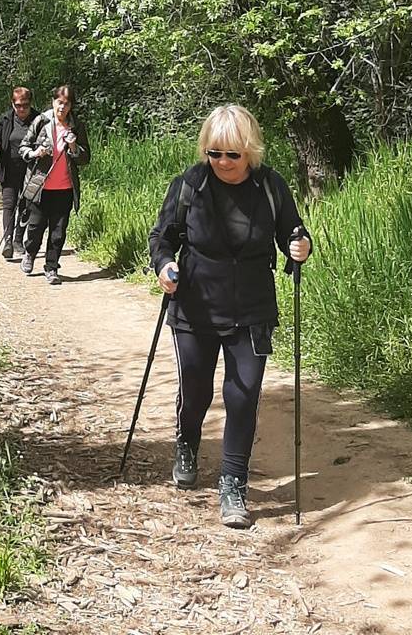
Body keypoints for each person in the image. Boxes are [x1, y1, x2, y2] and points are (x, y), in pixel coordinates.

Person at [149, 104, 311, 529]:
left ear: (249, 151)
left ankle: (233, 483)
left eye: (231, 155)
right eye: (214, 153)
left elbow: (293, 233)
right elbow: (162, 237)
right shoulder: (190, 185)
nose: (222, 162)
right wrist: (165, 267)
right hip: (195, 307)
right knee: (197, 390)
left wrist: (300, 247)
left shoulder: (270, 187)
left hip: (252, 309)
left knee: (243, 396)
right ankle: (187, 441)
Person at [18, 85, 90, 285]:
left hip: (65, 189)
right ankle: (30, 253)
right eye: (59, 103)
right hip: (41, 187)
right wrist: (35, 153)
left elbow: (85, 159)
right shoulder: (41, 121)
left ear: (71, 106)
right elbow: (23, 147)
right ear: (53, 102)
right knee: (35, 228)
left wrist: (74, 146)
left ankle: (51, 267)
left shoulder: (76, 126)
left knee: (58, 232)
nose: (62, 108)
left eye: (66, 104)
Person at [0, 87, 39, 258]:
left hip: (30, 172)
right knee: (9, 205)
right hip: (8, 169)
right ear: (12, 104)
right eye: (18, 105)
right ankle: (7, 240)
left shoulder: (39, 120)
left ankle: (18, 239)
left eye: (25, 105)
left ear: (30, 104)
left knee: (26, 207)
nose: (21, 109)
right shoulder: (6, 118)